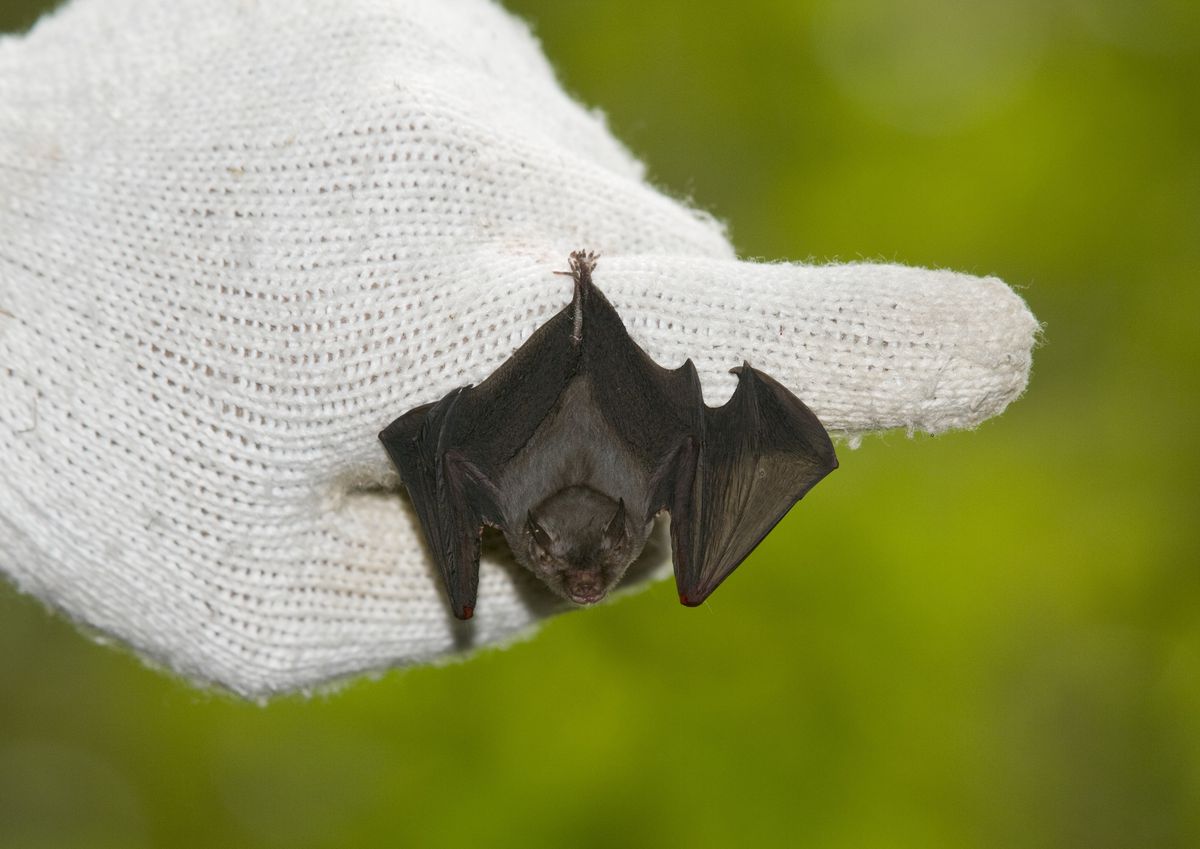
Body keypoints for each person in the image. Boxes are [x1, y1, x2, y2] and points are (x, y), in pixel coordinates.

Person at [0, 0, 1037, 697]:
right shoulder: (487, 465)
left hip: (576, 405)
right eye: (567, 566)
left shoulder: (527, 476)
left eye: (576, 567)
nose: (580, 581)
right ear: (523, 528)